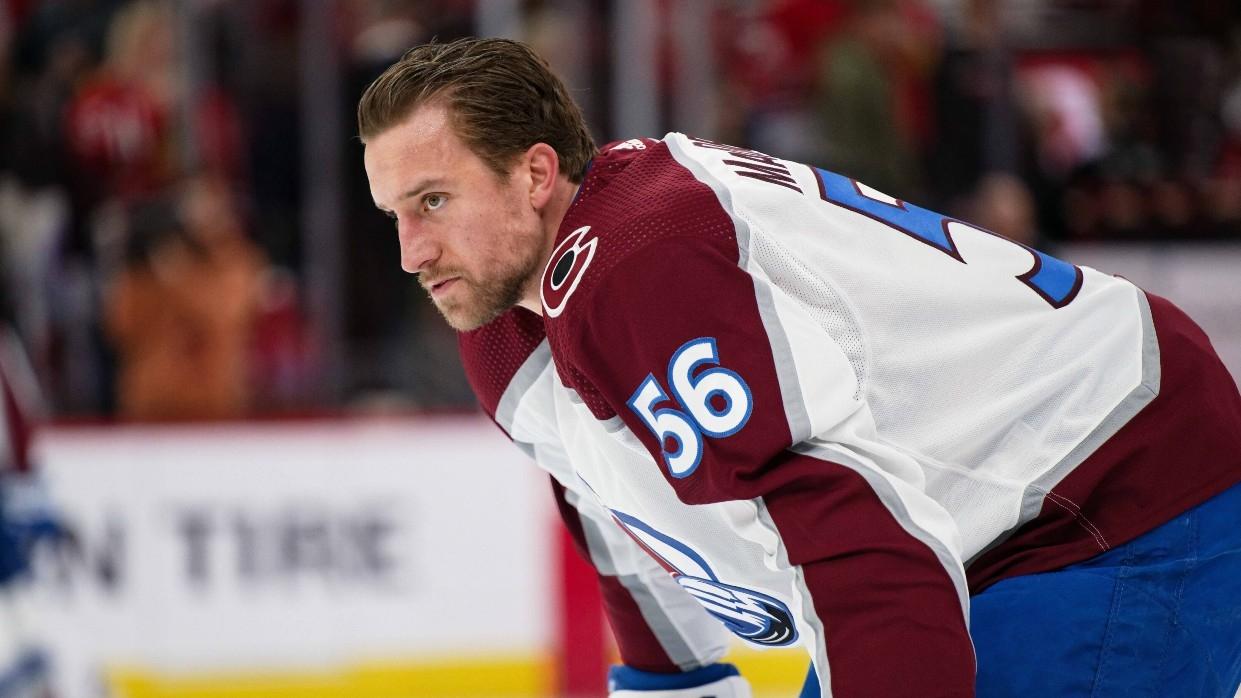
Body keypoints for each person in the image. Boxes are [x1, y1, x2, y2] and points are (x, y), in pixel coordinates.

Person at [358, 38, 1241, 697]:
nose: (410, 252)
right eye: (395, 213)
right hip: (979, 525)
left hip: (1120, 491)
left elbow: (851, 530)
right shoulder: (508, 319)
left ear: (535, 174)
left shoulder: (641, 263)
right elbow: (619, 525)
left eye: (434, 202)